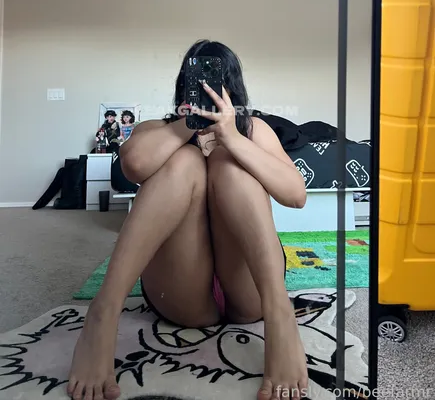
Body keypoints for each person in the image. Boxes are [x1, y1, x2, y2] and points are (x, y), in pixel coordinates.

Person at [68, 40, 308, 400]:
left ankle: (280, 316)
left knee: (228, 163)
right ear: (186, 85)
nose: (208, 89)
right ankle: (103, 312)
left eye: (218, 81)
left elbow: (296, 195)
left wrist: (232, 138)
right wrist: (189, 125)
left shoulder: (254, 129)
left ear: (233, 88)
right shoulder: (160, 128)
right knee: (186, 161)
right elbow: (133, 166)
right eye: (199, 81)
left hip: (250, 291)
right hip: (181, 292)